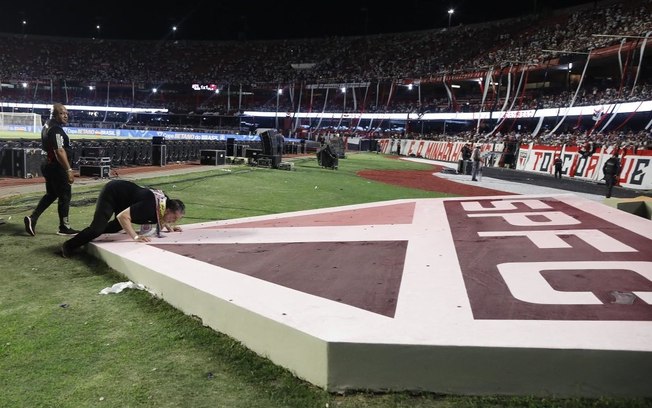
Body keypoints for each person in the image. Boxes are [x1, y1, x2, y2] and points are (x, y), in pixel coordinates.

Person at [61, 180, 185, 257]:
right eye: (173, 218)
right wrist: (135, 237)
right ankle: (68, 246)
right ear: (168, 210)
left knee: (115, 227)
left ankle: (84, 235)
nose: (173, 221)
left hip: (127, 199)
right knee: (96, 230)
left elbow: (162, 217)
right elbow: (123, 216)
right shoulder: (150, 206)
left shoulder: (165, 204)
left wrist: (170, 227)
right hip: (113, 193)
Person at [24, 103, 79, 236]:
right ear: (54, 114)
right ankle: (64, 227)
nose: (65, 115)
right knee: (65, 195)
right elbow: (59, 151)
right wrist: (69, 170)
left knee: (51, 194)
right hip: (56, 167)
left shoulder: (47, 125)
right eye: (61, 113)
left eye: (66, 113)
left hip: (47, 165)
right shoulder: (55, 129)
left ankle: (33, 218)